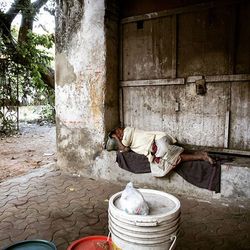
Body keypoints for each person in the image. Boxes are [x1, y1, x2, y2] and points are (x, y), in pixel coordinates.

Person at [110, 126, 214, 177]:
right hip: (158, 144)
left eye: (118, 132)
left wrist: (116, 138)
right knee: (173, 157)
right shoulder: (126, 137)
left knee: (171, 157)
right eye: (117, 135)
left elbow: (123, 148)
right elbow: (125, 149)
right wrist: (117, 138)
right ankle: (199, 154)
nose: (119, 134)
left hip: (158, 142)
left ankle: (202, 157)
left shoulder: (127, 131)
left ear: (121, 129)